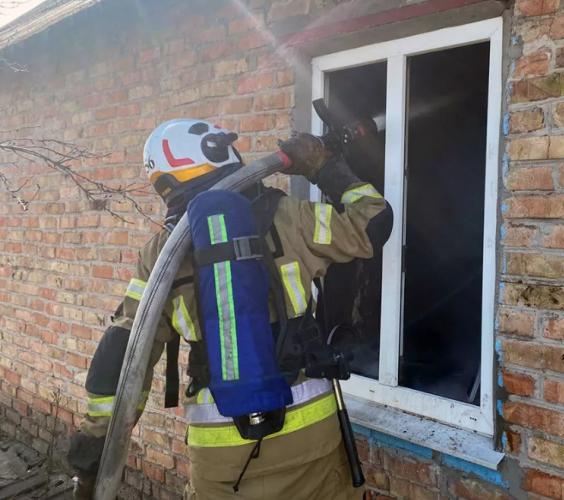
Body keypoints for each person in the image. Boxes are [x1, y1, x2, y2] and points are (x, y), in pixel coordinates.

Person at [67, 118, 392, 499]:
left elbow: (125, 353)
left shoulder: (161, 254)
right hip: (311, 437)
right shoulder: (289, 216)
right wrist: (323, 166)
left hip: (222, 451)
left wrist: (93, 451)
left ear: (166, 181)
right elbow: (373, 220)